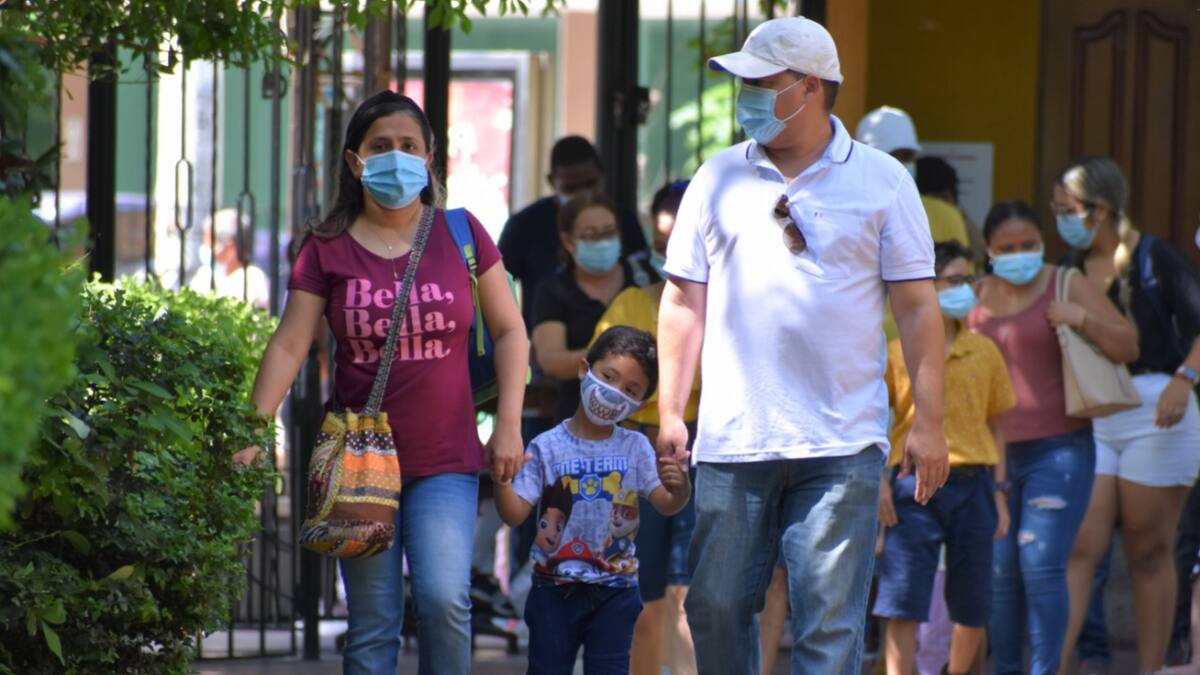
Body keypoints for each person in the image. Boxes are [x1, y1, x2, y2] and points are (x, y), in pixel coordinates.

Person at [656, 17, 951, 674]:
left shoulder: (883, 179)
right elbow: (681, 301)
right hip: (734, 439)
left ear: (811, 87)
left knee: (829, 627)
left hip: (841, 442)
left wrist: (930, 422)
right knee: (715, 605)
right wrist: (672, 411)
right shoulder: (715, 177)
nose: (747, 97)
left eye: (762, 83)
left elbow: (917, 308)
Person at [232, 91, 529, 674]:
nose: (397, 157)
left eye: (409, 146)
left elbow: (511, 331)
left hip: (445, 458)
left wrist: (509, 426)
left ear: (430, 158)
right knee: (373, 624)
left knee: (445, 601)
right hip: (358, 462)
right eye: (381, 146)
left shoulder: (462, 233)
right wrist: (253, 427)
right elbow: (290, 342)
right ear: (354, 160)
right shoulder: (326, 247)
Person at [965, 200, 1138, 675]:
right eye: (1007, 248)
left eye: (1029, 245)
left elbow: (1129, 344)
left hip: (1059, 449)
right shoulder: (974, 295)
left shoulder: (1066, 282)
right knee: (999, 573)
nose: (1019, 254)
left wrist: (1081, 317)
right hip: (992, 457)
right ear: (989, 250)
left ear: (1042, 243)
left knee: (1040, 565)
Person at [1056, 156, 1200, 674]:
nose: (1061, 218)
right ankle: (1055, 666)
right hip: (1091, 412)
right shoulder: (1069, 266)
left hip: (1157, 409)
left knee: (1148, 550)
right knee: (1080, 547)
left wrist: (1184, 379)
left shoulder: (1156, 257)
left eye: (1067, 209)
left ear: (1099, 210)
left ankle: (1152, 667)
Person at [495, 326, 692, 674]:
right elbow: (514, 513)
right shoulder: (545, 446)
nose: (614, 393)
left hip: (616, 591)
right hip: (553, 590)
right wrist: (501, 480)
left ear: (641, 404)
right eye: (608, 377)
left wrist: (681, 490)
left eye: (630, 390)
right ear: (584, 369)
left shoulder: (636, 447)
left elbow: (665, 503)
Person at [874, 241, 1016, 675]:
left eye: (968, 279)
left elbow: (996, 426)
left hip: (974, 485)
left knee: (973, 605)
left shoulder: (985, 351)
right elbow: (875, 421)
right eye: (954, 280)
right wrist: (879, 483)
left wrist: (999, 493)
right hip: (911, 485)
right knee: (902, 600)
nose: (965, 288)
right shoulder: (896, 352)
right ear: (928, 286)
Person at [592, 181, 699, 675]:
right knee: (638, 593)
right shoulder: (631, 304)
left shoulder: (727, 310)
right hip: (635, 448)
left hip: (706, 448)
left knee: (691, 594)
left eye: (678, 242)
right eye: (660, 244)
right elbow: (604, 382)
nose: (668, 254)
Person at [532, 193, 658, 425]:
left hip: (643, 423)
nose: (602, 242)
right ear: (569, 242)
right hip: (578, 419)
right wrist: (612, 360)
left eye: (609, 232)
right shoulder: (554, 291)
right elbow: (550, 360)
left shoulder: (646, 279)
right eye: (591, 236)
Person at [499, 135, 651, 329]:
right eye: (570, 188)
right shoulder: (523, 226)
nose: (582, 195)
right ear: (568, 242)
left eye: (607, 232)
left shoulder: (624, 219)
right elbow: (497, 287)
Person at [190, 207, 270, 309]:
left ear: (231, 246)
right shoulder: (205, 274)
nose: (206, 248)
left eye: (210, 243)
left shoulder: (253, 278)